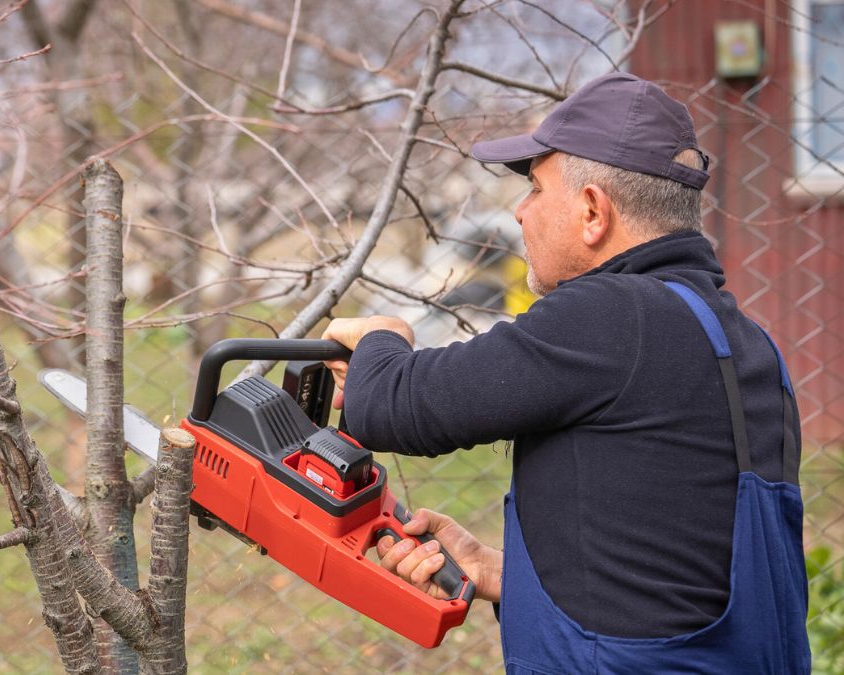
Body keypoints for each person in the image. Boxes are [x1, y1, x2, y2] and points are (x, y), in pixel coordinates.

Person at [322, 72, 811, 672]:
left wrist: (382, 337)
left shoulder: (612, 314)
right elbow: (673, 559)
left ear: (592, 211)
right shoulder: (742, 341)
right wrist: (500, 572)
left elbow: (396, 407)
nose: (520, 211)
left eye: (534, 187)